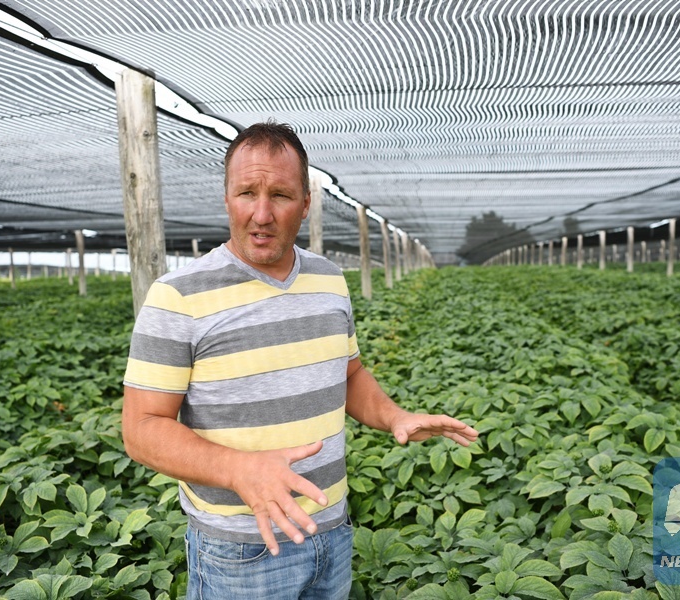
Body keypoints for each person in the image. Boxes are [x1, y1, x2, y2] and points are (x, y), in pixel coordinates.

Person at [121, 120, 478, 599]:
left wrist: (394, 416)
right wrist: (238, 469)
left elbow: (349, 374)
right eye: (246, 193)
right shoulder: (177, 296)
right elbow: (142, 429)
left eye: (281, 195)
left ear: (306, 203)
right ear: (226, 198)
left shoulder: (329, 279)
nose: (262, 214)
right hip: (242, 550)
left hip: (333, 529)